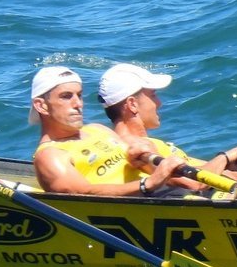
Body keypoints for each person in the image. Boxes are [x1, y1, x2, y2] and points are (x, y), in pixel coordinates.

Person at [97, 62, 237, 188]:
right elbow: (193, 183)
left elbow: (204, 170)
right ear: (132, 104)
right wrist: (226, 156)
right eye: (153, 95)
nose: (159, 103)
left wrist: (233, 163)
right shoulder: (138, 148)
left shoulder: (151, 143)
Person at [29, 65, 185, 196]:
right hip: (144, 203)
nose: (78, 103)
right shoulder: (50, 155)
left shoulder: (98, 129)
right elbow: (83, 193)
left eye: (80, 95)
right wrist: (148, 184)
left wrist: (151, 163)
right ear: (41, 105)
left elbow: (143, 164)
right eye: (66, 96)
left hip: (169, 191)